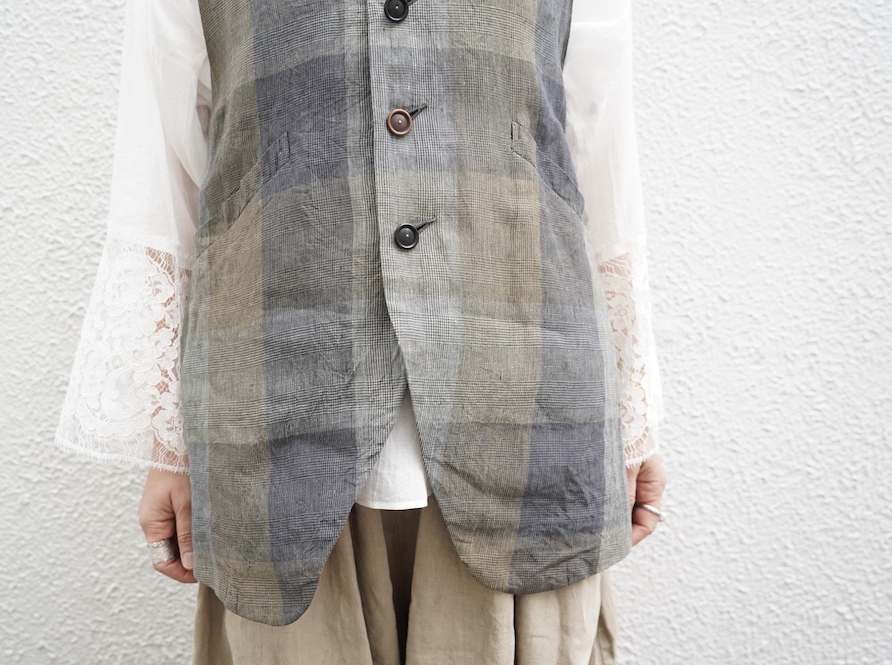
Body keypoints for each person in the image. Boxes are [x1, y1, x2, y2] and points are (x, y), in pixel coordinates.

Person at [56, 0, 668, 661]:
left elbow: (597, 147)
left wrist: (634, 417)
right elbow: (165, 160)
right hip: (275, 423)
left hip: (527, 411)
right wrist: (169, 444)